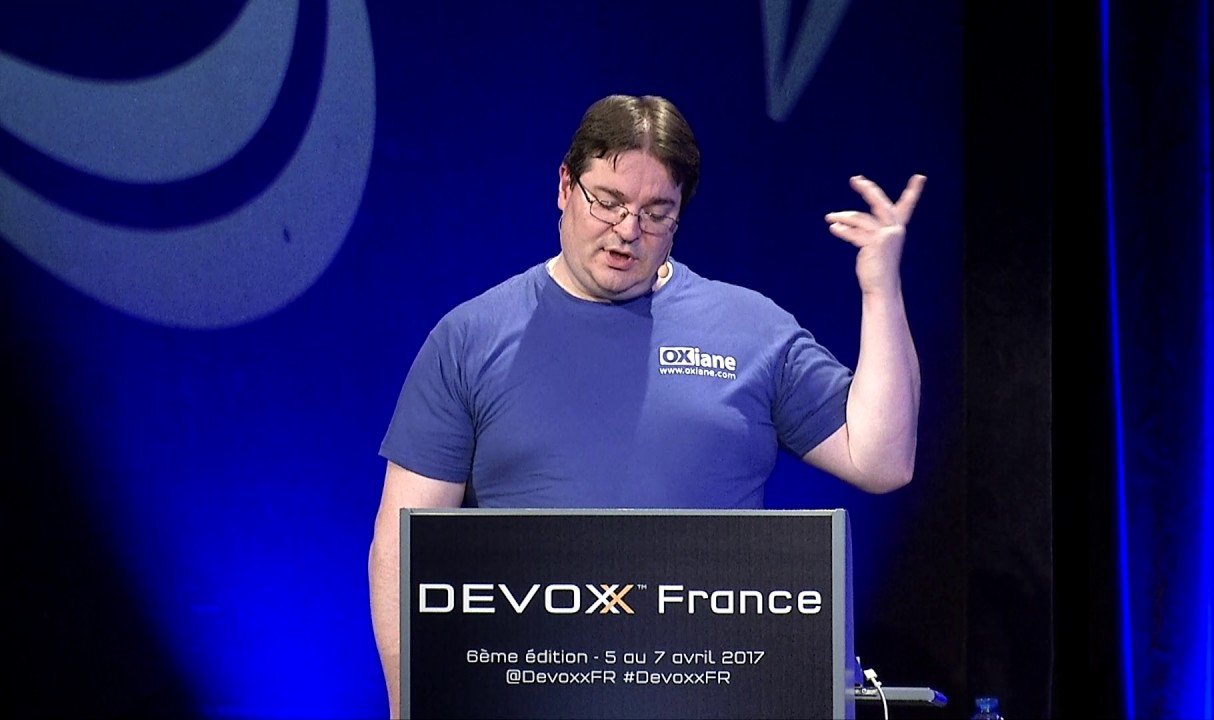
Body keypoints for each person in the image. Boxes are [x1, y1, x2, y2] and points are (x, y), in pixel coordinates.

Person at [367, 93, 925, 715]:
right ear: (565, 186)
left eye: (657, 213)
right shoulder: (471, 339)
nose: (628, 231)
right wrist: (407, 705)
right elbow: (403, 547)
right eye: (608, 202)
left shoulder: (751, 331)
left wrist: (881, 291)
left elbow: (882, 459)